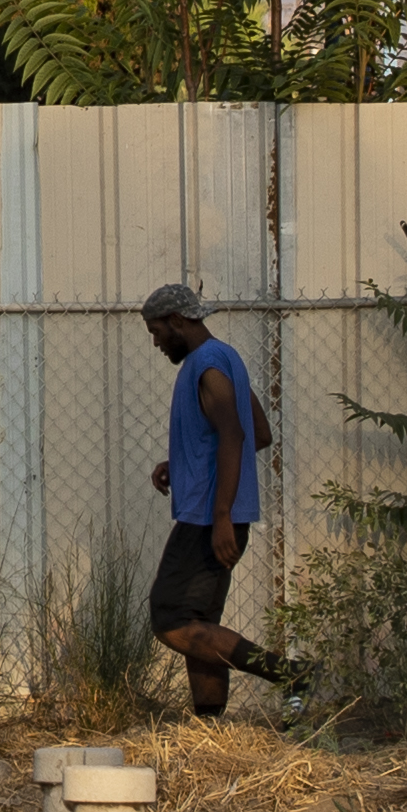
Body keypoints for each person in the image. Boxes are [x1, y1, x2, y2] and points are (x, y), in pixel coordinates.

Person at [139, 281, 289, 718]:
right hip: (214, 514)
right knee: (198, 623)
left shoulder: (206, 365)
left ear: (177, 322)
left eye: (156, 331)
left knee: (170, 618)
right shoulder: (226, 359)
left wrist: (221, 514)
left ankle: (288, 673)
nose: (155, 342)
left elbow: (236, 434)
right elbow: (258, 432)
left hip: (208, 520)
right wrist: (184, 462)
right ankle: (208, 725)